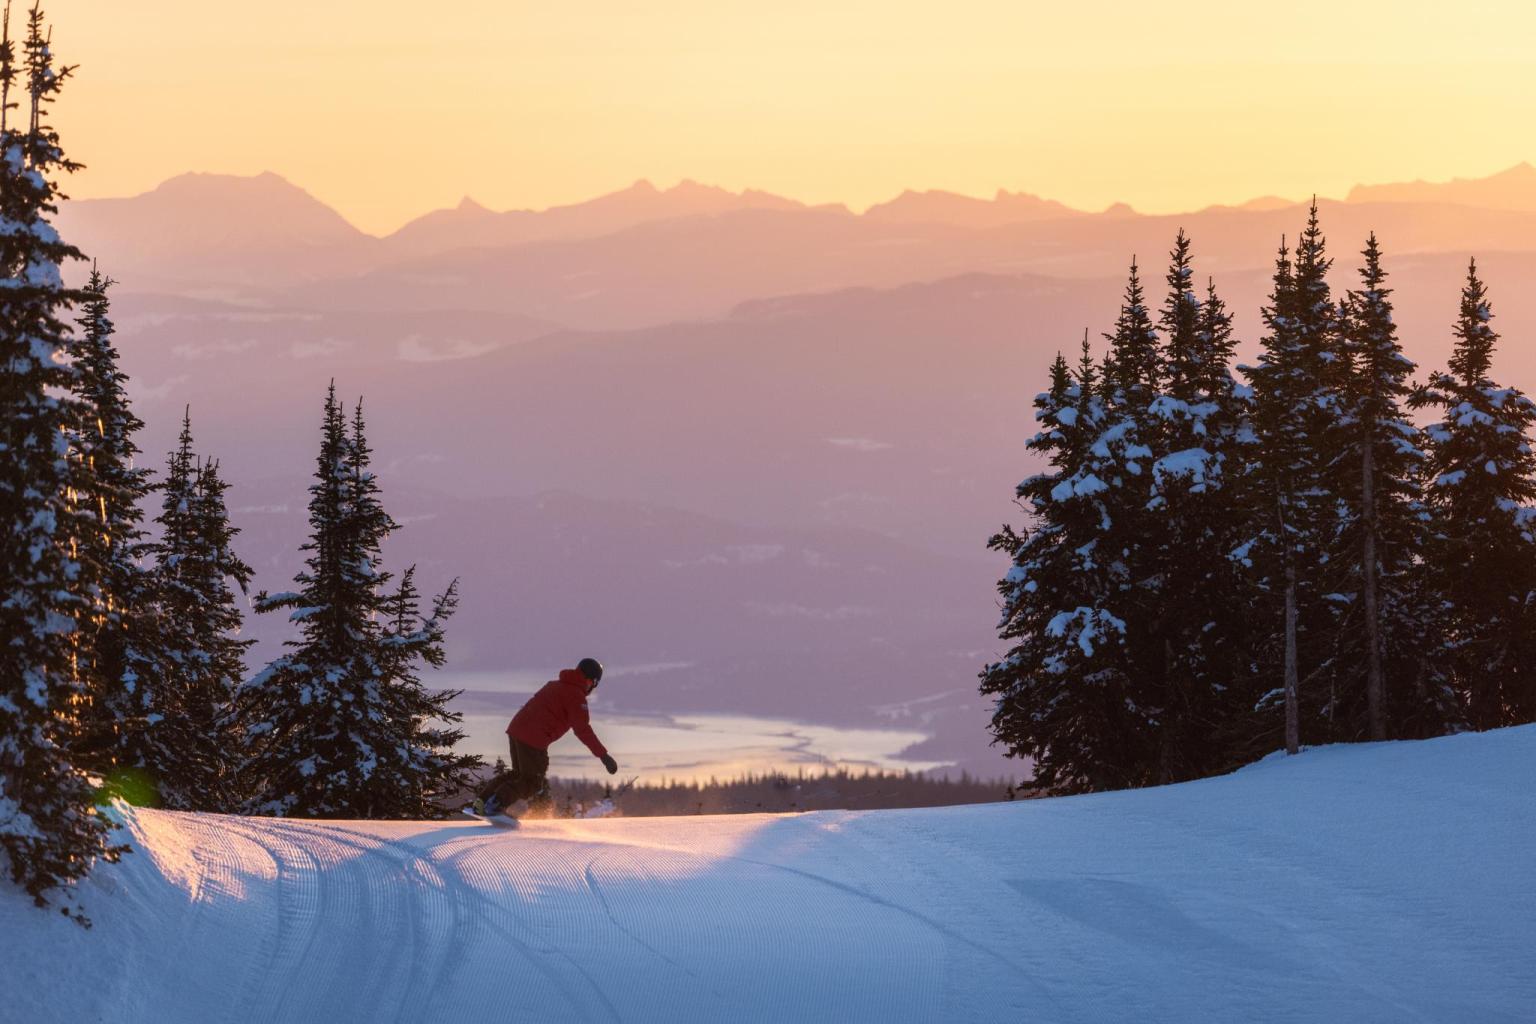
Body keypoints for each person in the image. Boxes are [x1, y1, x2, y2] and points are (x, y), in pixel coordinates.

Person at [475, 658, 617, 818]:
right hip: (533, 738)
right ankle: (495, 804)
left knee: (518, 775)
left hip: (517, 729)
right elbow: (582, 729)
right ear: (592, 681)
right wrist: (604, 756)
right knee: (532, 782)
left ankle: (482, 801)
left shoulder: (554, 685)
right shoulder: (576, 696)